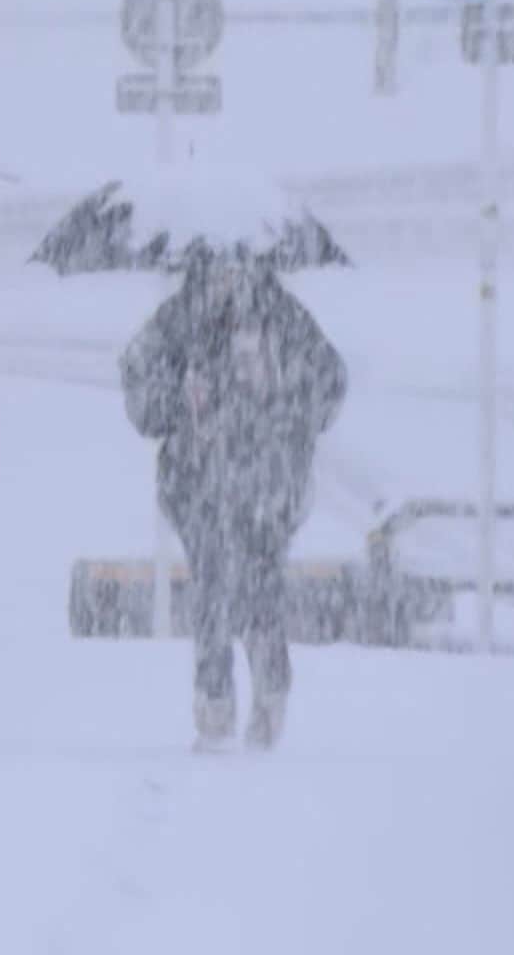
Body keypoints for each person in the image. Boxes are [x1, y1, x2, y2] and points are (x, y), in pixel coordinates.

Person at [120, 252, 347, 752]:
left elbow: (141, 387)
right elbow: (329, 383)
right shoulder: (272, 313)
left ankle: (228, 706)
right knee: (238, 587)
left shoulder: (193, 316)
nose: (229, 278)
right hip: (245, 481)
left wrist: (277, 410)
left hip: (223, 479)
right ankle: (248, 699)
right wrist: (283, 418)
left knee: (226, 588)